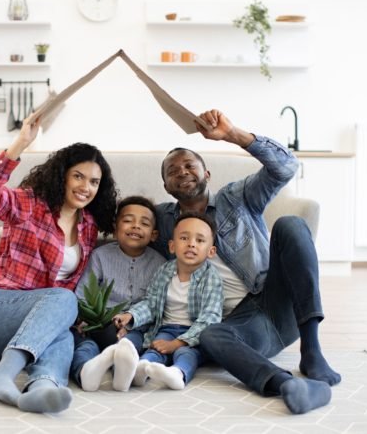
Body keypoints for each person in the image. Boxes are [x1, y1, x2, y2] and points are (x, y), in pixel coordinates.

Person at [154, 109, 341, 414]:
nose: (182, 172)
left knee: (291, 225)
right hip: (239, 329)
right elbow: (119, 222)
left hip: (275, 301)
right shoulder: (163, 220)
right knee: (210, 334)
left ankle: (312, 349)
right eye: (172, 171)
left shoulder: (236, 197)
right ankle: (288, 385)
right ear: (166, 186)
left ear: (207, 175)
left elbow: (286, 167)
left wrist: (233, 135)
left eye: (190, 165)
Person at [0, 115, 118, 413]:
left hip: (33, 329)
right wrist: (20, 143)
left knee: (64, 330)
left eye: (94, 181)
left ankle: (42, 386)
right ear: (62, 175)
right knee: (63, 299)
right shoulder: (29, 204)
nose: (86, 187)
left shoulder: (87, 227)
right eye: (78, 176)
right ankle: (3, 376)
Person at [112, 211, 222, 391]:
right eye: (184, 238)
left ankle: (178, 374)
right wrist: (130, 315)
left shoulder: (211, 278)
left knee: (186, 353)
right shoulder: (165, 271)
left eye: (200, 240)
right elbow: (151, 303)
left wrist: (178, 343)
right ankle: (141, 369)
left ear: (211, 251)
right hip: (166, 328)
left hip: (195, 334)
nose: (191, 244)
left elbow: (210, 318)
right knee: (156, 349)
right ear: (172, 246)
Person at [71, 195, 166, 392]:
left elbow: (155, 302)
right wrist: (85, 318)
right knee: (85, 346)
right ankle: (85, 372)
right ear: (115, 230)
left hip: (136, 327)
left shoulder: (160, 264)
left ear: (154, 234)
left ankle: (123, 372)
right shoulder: (101, 256)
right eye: (128, 220)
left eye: (144, 223)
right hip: (99, 323)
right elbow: (83, 293)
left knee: (131, 343)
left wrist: (131, 320)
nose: (136, 226)